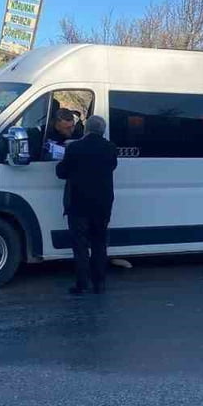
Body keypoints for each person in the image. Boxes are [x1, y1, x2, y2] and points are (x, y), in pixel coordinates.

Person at [55, 114, 118, 294]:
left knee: (80, 246)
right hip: (102, 204)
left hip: (78, 203)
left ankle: (82, 284)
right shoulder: (110, 148)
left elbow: (62, 172)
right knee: (99, 244)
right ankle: (100, 284)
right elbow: (112, 166)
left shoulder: (74, 148)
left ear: (87, 129)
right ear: (102, 130)